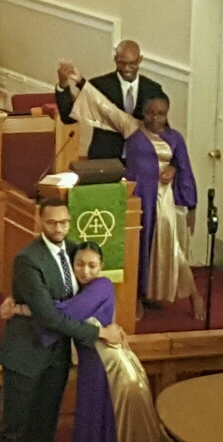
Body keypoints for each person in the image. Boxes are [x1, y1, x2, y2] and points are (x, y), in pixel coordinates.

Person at [1, 242, 160, 442]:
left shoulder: (102, 285)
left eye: (92, 265)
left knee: (102, 434)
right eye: (80, 264)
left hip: (109, 369)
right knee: (91, 434)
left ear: (102, 267)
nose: (86, 271)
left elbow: (62, 313)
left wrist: (19, 308)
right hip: (94, 366)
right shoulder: (76, 289)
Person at [0, 198, 124, 442]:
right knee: (15, 432)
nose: (59, 228)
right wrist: (98, 332)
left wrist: (20, 309)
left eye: (64, 222)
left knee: (43, 431)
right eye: (52, 223)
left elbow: (77, 301)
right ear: (39, 222)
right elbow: (50, 317)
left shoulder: (76, 250)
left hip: (56, 357)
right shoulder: (28, 259)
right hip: (25, 355)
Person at [70, 85, 203, 318]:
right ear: (143, 112)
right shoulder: (132, 128)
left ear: (167, 113)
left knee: (173, 251)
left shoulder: (175, 138)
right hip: (138, 198)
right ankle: (138, 297)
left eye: (161, 113)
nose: (156, 118)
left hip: (164, 203)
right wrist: (79, 81)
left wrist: (189, 201)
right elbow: (105, 108)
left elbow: (185, 168)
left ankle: (194, 294)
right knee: (137, 248)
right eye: (151, 112)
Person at [56, 40, 163, 160]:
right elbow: (68, 117)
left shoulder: (153, 90)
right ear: (115, 59)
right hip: (105, 161)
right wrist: (63, 85)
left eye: (132, 63)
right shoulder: (100, 86)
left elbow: (163, 129)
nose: (127, 69)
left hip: (141, 160)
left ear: (140, 59)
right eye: (122, 63)